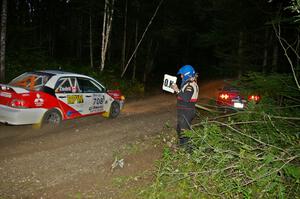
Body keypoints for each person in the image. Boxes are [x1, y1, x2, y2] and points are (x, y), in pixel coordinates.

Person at [171, 65, 199, 150]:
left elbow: (186, 98)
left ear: (187, 74)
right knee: (180, 129)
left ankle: (187, 150)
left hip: (186, 111)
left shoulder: (190, 85)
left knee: (184, 131)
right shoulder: (189, 84)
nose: (181, 76)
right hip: (185, 111)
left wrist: (177, 90)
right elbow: (184, 95)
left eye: (182, 74)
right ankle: (183, 146)